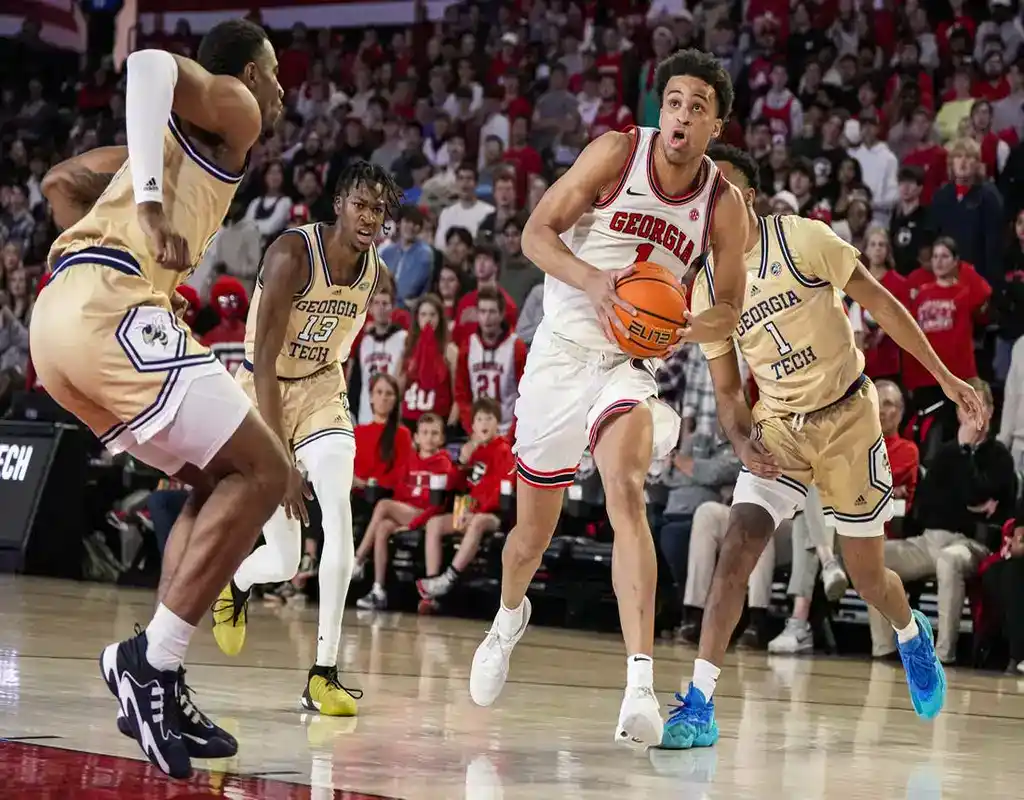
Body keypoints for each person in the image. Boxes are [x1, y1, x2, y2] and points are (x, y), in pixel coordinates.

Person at [467, 49, 751, 749]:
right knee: (528, 539)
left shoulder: (724, 203)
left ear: (717, 124)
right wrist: (595, 282)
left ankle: (640, 685)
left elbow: (731, 309)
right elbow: (535, 232)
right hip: (562, 352)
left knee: (627, 492)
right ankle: (508, 620)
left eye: (697, 107)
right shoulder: (618, 153)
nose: (682, 116)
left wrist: (689, 324)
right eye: (675, 102)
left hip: (626, 365)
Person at [662, 144, 985, 750]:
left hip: (847, 419)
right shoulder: (706, 286)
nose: (709, 204)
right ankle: (700, 703)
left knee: (867, 576)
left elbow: (882, 304)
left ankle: (909, 632)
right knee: (737, 550)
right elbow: (729, 390)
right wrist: (739, 439)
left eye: (721, 189)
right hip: (779, 427)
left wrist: (943, 375)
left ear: (749, 196)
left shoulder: (803, 239)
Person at [32, 21, 287, 779]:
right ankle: (150, 661)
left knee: (214, 484)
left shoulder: (160, 150)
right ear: (244, 71)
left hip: (58, 325)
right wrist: (145, 208)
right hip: (109, 307)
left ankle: (161, 677)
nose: (279, 90)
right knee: (267, 474)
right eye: (274, 73)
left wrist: (127, 205)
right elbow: (145, 63)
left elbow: (58, 185)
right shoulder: (237, 106)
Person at [210, 161, 400, 717]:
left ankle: (324, 673)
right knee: (287, 559)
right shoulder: (292, 255)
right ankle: (237, 582)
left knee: (338, 507)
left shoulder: (375, 273)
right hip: (262, 388)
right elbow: (265, 360)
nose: (369, 218)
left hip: (320, 388)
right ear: (339, 204)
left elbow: (334, 349)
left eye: (379, 210)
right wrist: (281, 459)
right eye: (361, 205)